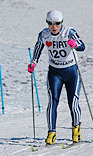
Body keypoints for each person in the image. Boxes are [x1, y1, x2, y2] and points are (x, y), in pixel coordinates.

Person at [27, 10, 85, 145]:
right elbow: (38, 47)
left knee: (73, 103)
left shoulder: (69, 32)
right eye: (50, 23)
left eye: (57, 23)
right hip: (55, 73)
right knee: (52, 102)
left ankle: (76, 129)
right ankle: (51, 133)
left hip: (71, 72)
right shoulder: (44, 34)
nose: (54, 27)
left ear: (61, 22)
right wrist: (33, 62)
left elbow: (82, 46)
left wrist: (75, 44)